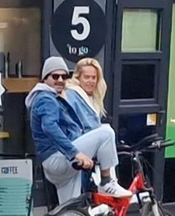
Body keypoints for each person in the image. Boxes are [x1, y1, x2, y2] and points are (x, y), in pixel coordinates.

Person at [28, 56, 127, 202]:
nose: (60, 80)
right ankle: (106, 182)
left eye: (64, 76)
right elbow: (49, 127)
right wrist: (76, 153)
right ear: (45, 78)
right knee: (106, 132)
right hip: (57, 158)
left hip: (56, 161)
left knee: (70, 215)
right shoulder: (46, 98)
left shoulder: (52, 97)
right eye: (55, 76)